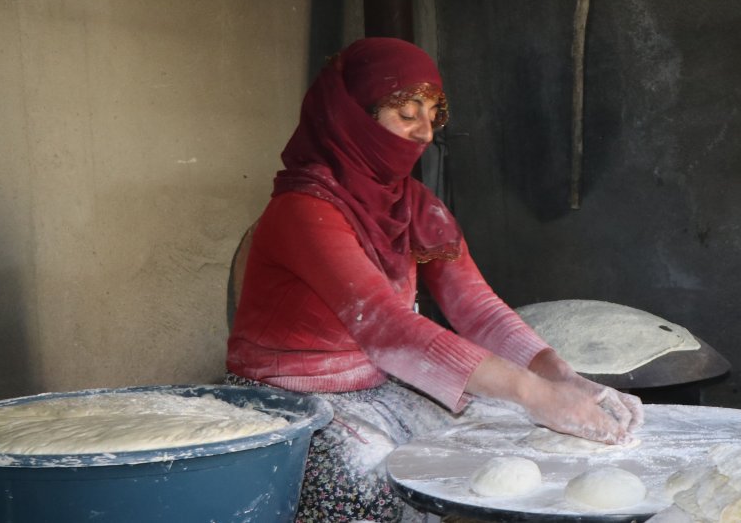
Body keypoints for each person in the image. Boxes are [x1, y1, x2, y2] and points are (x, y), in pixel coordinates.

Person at [226, 37, 643, 522]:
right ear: (355, 116)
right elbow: (386, 326)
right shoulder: (304, 210)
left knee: (505, 436)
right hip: (289, 397)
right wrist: (533, 394)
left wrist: (559, 376)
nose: (425, 133)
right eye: (407, 113)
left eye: (432, 114)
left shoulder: (414, 205)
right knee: (368, 476)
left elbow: (476, 308)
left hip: (378, 386)